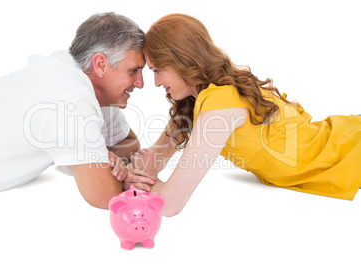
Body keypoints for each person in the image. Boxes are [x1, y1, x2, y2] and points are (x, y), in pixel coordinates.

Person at [124, 13, 361, 217]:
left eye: (158, 70)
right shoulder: (198, 101)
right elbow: (156, 157)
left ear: (181, 59)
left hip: (349, 152)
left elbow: (170, 204)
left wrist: (132, 181)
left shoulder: (219, 104)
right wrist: (128, 167)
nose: (155, 82)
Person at [0, 12, 146, 209]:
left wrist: (106, 155)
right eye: (133, 70)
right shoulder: (70, 98)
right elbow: (105, 195)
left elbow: (130, 143)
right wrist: (115, 167)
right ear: (100, 65)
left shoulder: (89, 85)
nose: (140, 83)